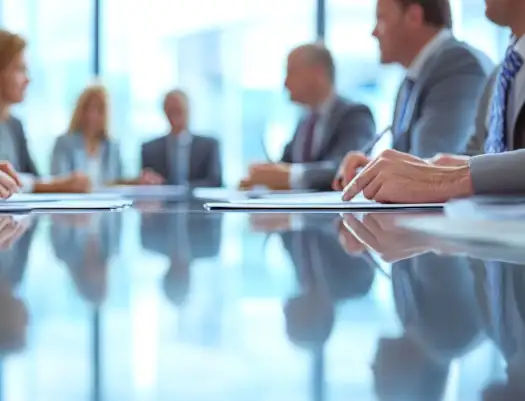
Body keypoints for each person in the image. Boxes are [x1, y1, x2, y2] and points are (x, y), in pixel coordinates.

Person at [341, 0, 525, 203]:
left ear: (414, 16)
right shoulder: (501, 74)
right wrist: (385, 170)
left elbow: (464, 167)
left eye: (382, 18)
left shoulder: (460, 63)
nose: (373, 32)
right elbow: (479, 156)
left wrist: (445, 178)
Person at [240, 43, 375, 191]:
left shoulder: (355, 115)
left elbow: (348, 168)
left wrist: (290, 177)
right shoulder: (305, 121)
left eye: (291, 72)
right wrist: (262, 176)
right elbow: (286, 164)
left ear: (317, 72)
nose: (285, 83)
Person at [0, 29, 94, 194]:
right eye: (19, 69)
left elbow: (33, 178)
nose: (27, 79)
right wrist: (59, 185)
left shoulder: (14, 126)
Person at [51, 84, 163, 188]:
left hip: (108, 205)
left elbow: (118, 181)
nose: (92, 115)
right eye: (88, 108)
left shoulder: (112, 146)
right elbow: (59, 181)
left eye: (99, 110)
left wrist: (138, 181)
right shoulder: (64, 143)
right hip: (74, 205)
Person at [141, 89, 222, 188]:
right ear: (164, 112)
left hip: (199, 202)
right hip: (162, 202)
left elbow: (215, 181)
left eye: (179, 111)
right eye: (171, 111)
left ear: (188, 110)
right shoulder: (150, 149)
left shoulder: (208, 146)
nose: (175, 117)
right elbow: (146, 183)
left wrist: (184, 188)